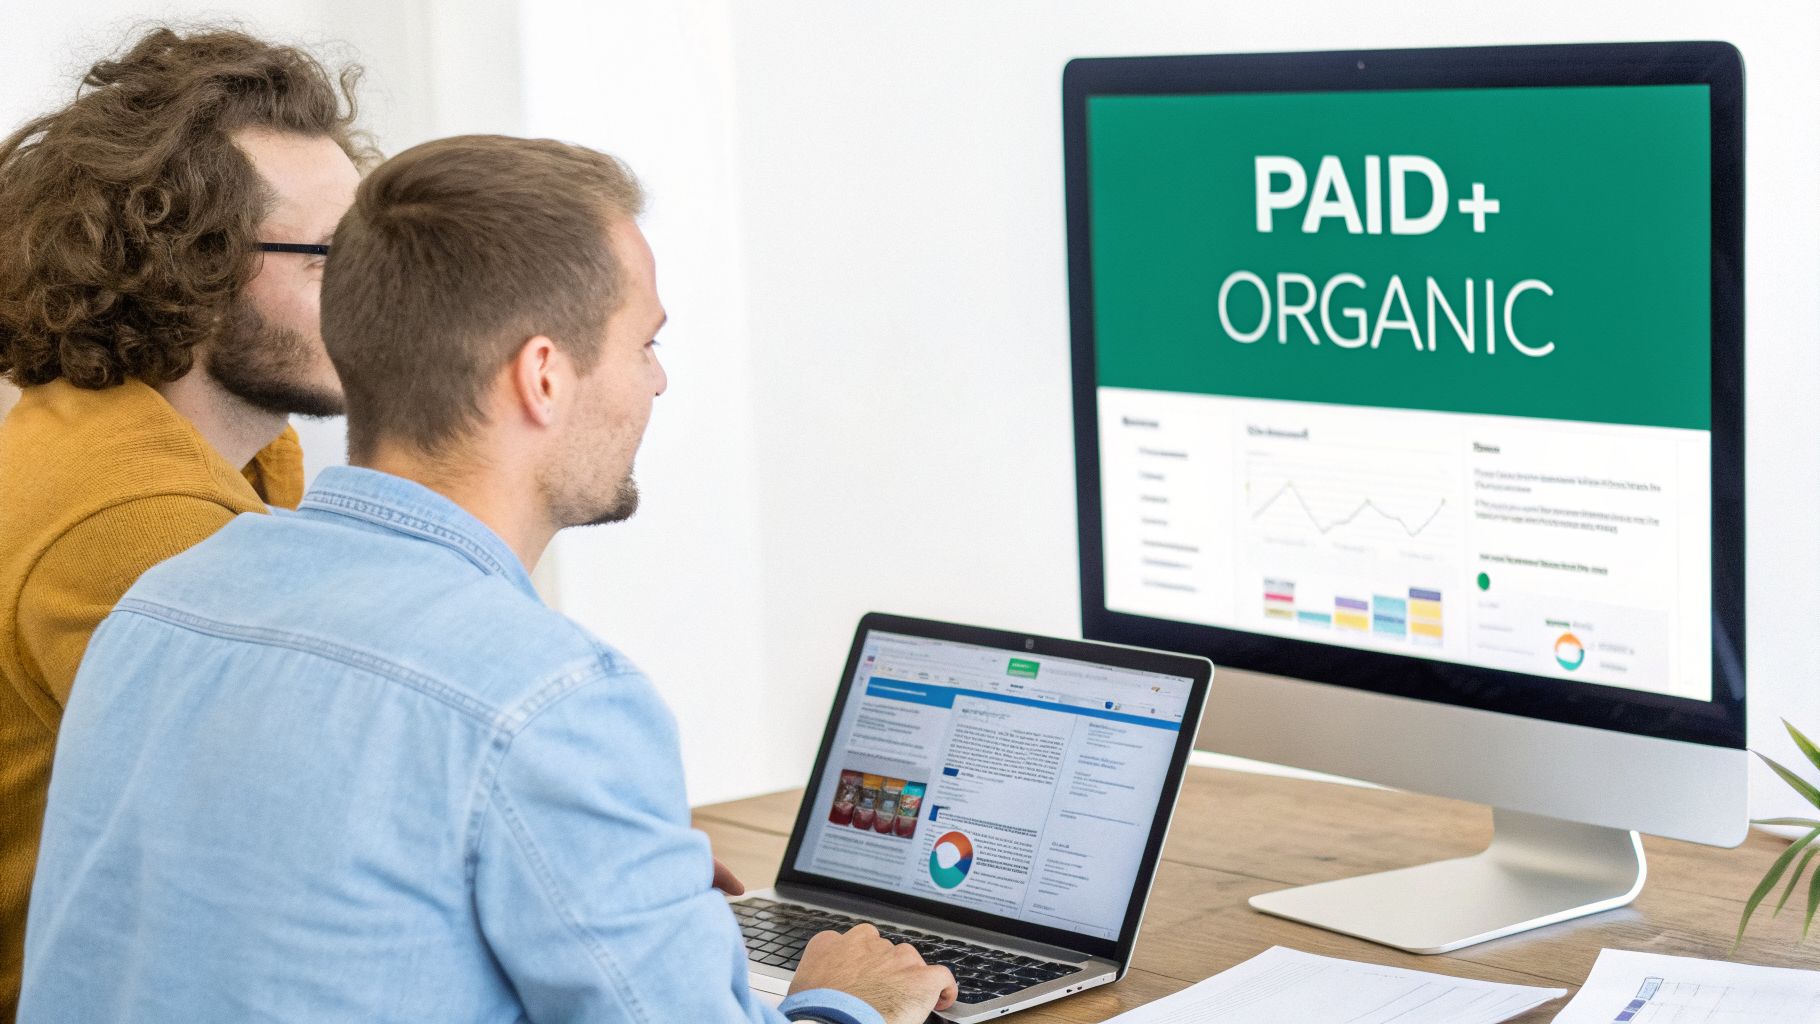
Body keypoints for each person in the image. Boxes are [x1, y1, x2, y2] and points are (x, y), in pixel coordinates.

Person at [20, 134, 956, 1024]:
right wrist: (847, 1000)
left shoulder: (160, 606)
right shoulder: (550, 700)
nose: (657, 383)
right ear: (543, 376)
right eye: (645, 344)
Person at [0, 27, 371, 1017]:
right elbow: (307, 855)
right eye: (329, 258)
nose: (372, 294)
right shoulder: (140, 516)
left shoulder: (223, 449)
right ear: (183, 269)